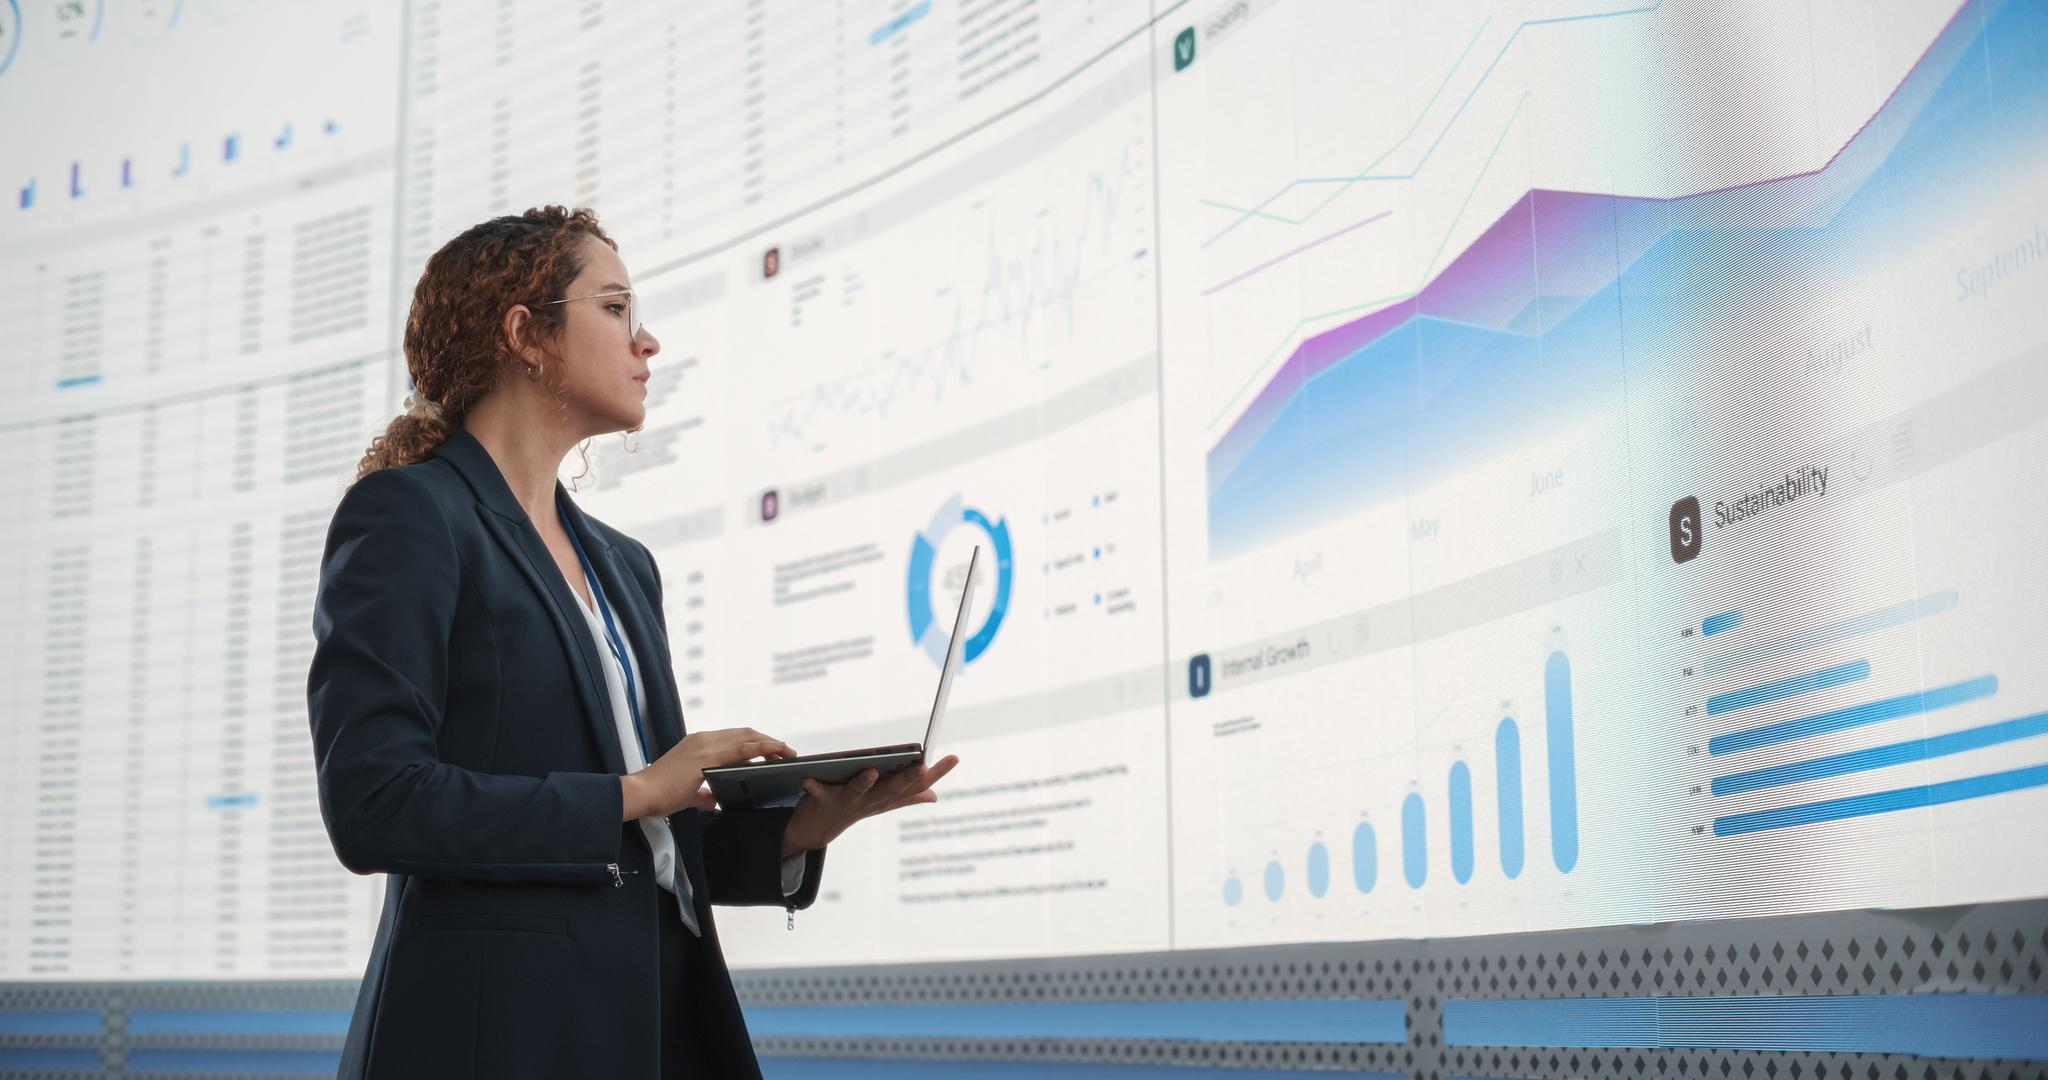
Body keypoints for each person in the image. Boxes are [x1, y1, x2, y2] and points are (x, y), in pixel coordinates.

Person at [307, 205, 958, 1079]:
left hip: (660, 1023)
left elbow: (640, 848)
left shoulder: (624, 565)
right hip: (499, 1034)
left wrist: (799, 830)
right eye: (615, 309)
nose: (645, 341)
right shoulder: (408, 514)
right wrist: (637, 788)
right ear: (524, 334)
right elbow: (373, 800)